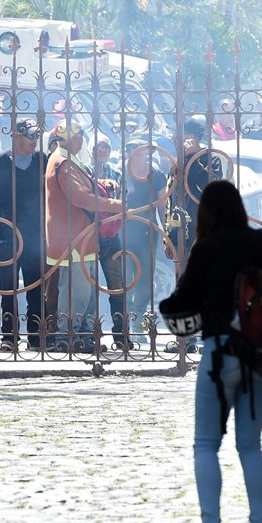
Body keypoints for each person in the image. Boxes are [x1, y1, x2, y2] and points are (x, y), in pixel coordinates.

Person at [160, 180, 262, 523]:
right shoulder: (261, 241)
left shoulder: (207, 247)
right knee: (250, 446)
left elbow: (184, 300)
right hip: (260, 356)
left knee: (205, 444)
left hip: (220, 355)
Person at [44, 120, 126, 353]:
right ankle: (67, 336)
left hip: (81, 237)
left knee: (86, 291)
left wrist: (101, 183)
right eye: (79, 138)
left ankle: (83, 336)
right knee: (76, 292)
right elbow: (79, 197)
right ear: (75, 140)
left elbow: (82, 185)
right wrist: (114, 205)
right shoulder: (63, 163)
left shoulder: (67, 161)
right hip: (73, 239)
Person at [0, 118, 51, 349]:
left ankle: (36, 336)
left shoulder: (42, 160)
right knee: (8, 287)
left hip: (36, 233)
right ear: (16, 135)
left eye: (36, 136)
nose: (34, 140)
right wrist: (10, 206)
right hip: (7, 232)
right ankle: (9, 337)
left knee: (36, 286)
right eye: (29, 136)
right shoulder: (1, 162)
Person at [91, 137, 132, 348]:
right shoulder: (83, 171)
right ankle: (89, 335)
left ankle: (121, 335)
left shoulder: (117, 174)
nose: (102, 150)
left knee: (118, 287)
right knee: (87, 288)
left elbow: (124, 204)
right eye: (98, 147)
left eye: (105, 147)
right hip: (89, 235)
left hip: (111, 235)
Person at [124, 142, 169, 326]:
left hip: (147, 232)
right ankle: (125, 318)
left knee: (145, 277)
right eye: (134, 150)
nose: (139, 153)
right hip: (123, 232)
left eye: (143, 150)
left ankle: (139, 316)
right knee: (125, 276)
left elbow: (162, 205)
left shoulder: (157, 175)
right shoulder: (121, 171)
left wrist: (166, 231)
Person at [166, 115, 225, 259]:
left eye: (178, 135)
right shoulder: (178, 162)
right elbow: (171, 200)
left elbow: (209, 190)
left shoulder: (212, 159)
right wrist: (168, 236)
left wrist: (193, 157)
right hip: (179, 233)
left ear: (191, 137)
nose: (174, 139)